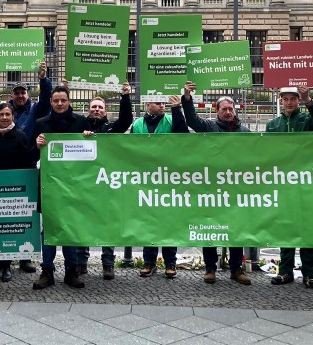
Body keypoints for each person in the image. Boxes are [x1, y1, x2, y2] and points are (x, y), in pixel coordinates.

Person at [181, 82, 252, 286]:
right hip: (212, 187)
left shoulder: (245, 132)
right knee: (210, 225)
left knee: (236, 228)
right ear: (217, 111)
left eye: (231, 109)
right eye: (224, 109)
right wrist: (187, 98)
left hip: (236, 188)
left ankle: (236, 268)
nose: (228, 112)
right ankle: (210, 268)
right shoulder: (209, 127)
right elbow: (192, 120)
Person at [267, 86, 313, 289]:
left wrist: (309, 99)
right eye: (286, 99)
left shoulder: (307, 120)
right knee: (286, 225)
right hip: (283, 182)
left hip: (305, 179)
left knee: (308, 225)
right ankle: (285, 271)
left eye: (294, 99)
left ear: (298, 101)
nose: (290, 102)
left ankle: (309, 273)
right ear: (281, 100)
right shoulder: (273, 125)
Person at [32, 85, 90, 290]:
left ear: (69, 102)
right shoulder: (40, 124)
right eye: (56, 100)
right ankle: (47, 272)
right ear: (50, 102)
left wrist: (88, 137)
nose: (59, 104)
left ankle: (71, 272)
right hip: (49, 186)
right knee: (48, 230)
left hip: (74, 186)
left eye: (63, 100)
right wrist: (37, 144)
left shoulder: (81, 123)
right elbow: (30, 153)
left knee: (70, 229)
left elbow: (95, 148)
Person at [77, 82, 134, 280]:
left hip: (107, 183)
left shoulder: (112, 128)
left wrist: (125, 96)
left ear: (105, 111)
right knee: (82, 223)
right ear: (88, 109)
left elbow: (126, 119)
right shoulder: (80, 126)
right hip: (84, 184)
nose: (96, 110)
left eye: (100, 107)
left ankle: (108, 264)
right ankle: (81, 262)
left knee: (106, 223)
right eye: (93, 107)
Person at [0, 103, 36, 282]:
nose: (4, 117)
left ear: (13, 117)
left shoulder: (20, 136)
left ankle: (7, 266)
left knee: (9, 228)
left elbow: (28, 161)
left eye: (8, 114)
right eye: (1, 114)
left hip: (13, 190)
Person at [134, 96, 189, 280]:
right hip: (146, 179)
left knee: (168, 220)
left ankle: (170, 262)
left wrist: (176, 108)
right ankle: (149, 262)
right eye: (158, 103)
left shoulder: (172, 119)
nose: (162, 105)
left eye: (163, 103)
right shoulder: (137, 124)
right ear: (148, 105)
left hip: (168, 178)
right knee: (149, 221)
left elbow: (183, 136)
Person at [0, 62, 52, 140]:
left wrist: (43, 79)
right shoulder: (3, 110)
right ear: (11, 96)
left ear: (28, 94)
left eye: (23, 93)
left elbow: (45, 100)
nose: (20, 96)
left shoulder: (35, 110)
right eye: (17, 93)